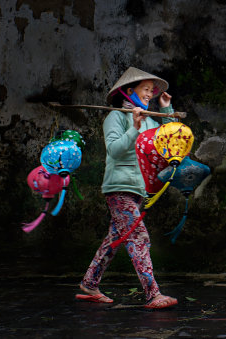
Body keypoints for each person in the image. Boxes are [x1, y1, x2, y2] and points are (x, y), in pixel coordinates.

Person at [77, 67, 178, 309]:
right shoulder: (116, 116)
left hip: (138, 189)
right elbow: (114, 149)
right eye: (146, 90)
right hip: (119, 188)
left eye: (152, 92)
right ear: (130, 91)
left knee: (115, 238)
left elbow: (169, 138)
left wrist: (165, 110)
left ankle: (89, 284)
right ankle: (153, 294)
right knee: (138, 236)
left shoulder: (149, 120)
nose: (150, 94)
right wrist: (133, 126)